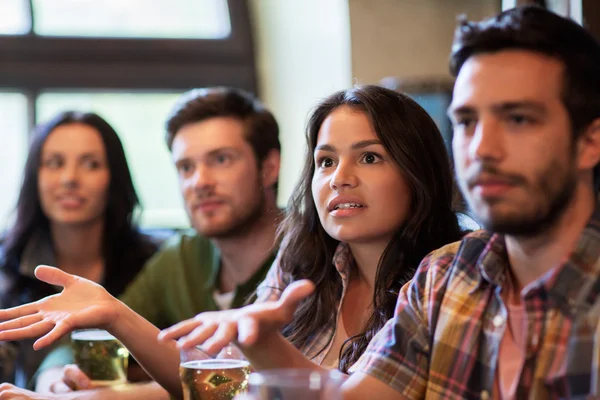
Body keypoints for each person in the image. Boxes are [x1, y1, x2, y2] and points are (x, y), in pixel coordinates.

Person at [139, 5, 600, 399]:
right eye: (466, 122)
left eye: (518, 119)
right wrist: (261, 341)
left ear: (589, 140)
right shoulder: (444, 277)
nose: (482, 148)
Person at [0, 84, 463, 399]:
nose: (340, 178)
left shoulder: (445, 272)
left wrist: (260, 342)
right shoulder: (303, 255)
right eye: (325, 162)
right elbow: (216, 383)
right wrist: (108, 315)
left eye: (369, 157)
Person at [31, 87, 283, 399]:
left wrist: (108, 398)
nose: (199, 181)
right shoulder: (182, 255)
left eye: (221, 159)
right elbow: (100, 334)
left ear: (270, 167)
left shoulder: (314, 254)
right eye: (186, 167)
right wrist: (54, 380)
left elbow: (269, 382)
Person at [0, 111, 159, 387]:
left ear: (113, 177)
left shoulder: (153, 264)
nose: (69, 178)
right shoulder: (6, 268)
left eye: (91, 164)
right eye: (54, 163)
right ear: (35, 177)